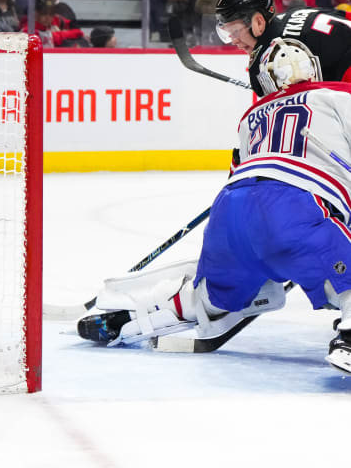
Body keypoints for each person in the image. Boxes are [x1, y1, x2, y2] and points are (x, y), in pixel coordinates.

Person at [76, 37, 351, 376]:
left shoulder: (249, 118)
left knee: (211, 297)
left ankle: (135, 316)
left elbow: (244, 173)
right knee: (339, 272)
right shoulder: (338, 96)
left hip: (230, 212)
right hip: (294, 207)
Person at [214, 0, 351, 97]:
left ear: (259, 23)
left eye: (236, 31)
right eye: (228, 34)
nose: (234, 40)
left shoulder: (271, 51)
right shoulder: (292, 14)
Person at [20, 0, 85, 48]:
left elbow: (77, 30)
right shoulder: (28, 30)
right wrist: (58, 34)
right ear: (36, 14)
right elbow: (57, 37)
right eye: (44, 14)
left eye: (51, 14)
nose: (48, 18)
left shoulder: (51, 25)